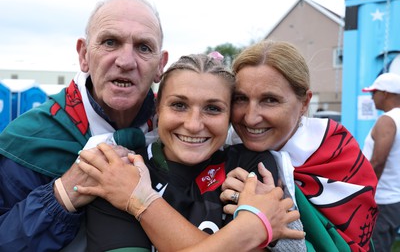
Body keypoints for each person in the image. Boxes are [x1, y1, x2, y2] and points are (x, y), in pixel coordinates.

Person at [76, 53, 305, 251]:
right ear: (158, 108)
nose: (194, 124)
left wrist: (141, 202)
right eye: (179, 105)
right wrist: (250, 229)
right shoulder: (119, 171)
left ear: (230, 116)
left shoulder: (251, 165)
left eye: (213, 109)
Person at [0, 0, 168, 251]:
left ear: (160, 65)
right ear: (84, 55)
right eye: (110, 42)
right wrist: (63, 195)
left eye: (143, 47)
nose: (125, 61)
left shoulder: (179, 132)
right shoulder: (29, 137)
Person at [222, 40, 378, 251]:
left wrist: (273, 220)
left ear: (304, 103)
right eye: (240, 98)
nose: (250, 118)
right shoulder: (218, 150)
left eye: (270, 100)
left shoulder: (339, 154)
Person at [362, 72, 400, 252]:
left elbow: (377, 161)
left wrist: (362, 193)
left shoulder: (388, 120)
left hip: (381, 200)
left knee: (374, 247)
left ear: (385, 93)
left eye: (374, 92)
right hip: (394, 199)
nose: (371, 97)